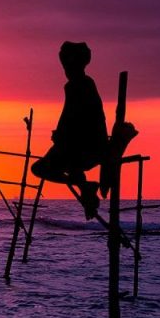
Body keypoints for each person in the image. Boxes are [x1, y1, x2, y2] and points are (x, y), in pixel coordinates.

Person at [30, 41, 108, 218]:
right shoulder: (84, 83)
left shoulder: (78, 85)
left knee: (39, 169)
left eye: (67, 65)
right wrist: (61, 133)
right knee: (68, 166)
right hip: (83, 145)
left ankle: (82, 185)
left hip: (83, 146)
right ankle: (84, 188)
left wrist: (60, 135)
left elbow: (72, 115)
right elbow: (71, 116)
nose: (65, 70)